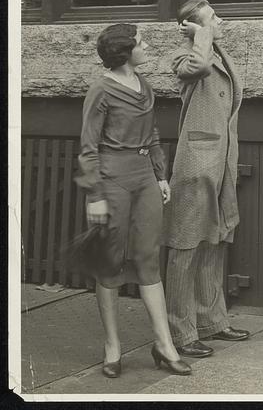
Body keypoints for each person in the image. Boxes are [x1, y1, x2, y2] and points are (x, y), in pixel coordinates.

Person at [75, 23, 191, 378]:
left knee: (147, 258)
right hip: (112, 179)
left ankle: (164, 345)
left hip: (144, 178)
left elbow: (152, 134)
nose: (147, 46)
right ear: (125, 52)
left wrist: (160, 174)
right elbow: (88, 147)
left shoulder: (144, 85)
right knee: (110, 262)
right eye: (142, 42)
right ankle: (112, 346)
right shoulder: (101, 90)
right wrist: (94, 195)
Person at [163, 0, 250, 359]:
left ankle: (212, 321)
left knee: (216, 240)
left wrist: (207, 35)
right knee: (186, 246)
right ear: (193, 27)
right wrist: (201, 35)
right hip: (197, 164)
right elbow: (197, 67)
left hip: (222, 162)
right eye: (213, 17)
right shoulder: (186, 58)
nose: (220, 19)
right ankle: (181, 333)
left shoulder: (219, 54)